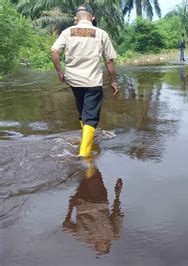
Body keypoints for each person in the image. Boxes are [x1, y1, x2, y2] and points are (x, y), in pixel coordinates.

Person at [51, 5, 119, 158]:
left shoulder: (67, 32)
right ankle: (84, 154)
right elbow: (109, 61)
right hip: (92, 81)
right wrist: (114, 81)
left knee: (83, 112)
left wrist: (60, 72)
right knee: (91, 117)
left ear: (76, 18)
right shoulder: (101, 33)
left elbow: (54, 52)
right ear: (92, 18)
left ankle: (87, 137)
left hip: (73, 81)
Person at [63, 166, 123, 255]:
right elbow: (65, 226)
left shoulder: (112, 235)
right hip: (83, 201)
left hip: (97, 199)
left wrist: (117, 193)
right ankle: (75, 160)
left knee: (91, 171)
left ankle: (78, 158)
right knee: (85, 174)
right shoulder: (83, 237)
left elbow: (116, 213)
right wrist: (71, 206)